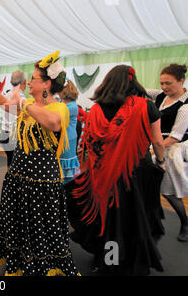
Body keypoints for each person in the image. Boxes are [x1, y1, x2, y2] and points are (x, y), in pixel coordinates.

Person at [66, 65, 166, 275]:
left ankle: (105, 258)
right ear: (133, 81)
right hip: (134, 172)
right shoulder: (146, 106)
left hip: (102, 173)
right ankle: (125, 260)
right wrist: (162, 161)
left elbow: (91, 143)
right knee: (132, 217)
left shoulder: (96, 109)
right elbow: (158, 141)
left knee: (107, 217)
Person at [0, 51, 79, 276]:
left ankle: (42, 267)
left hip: (41, 182)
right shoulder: (29, 104)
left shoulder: (58, 108)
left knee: (40, 229)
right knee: (21, 226)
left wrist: (23, 101)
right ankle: (23, 263)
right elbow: (6, 105)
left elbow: (52, 123)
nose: (29, 82)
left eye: (34, 79)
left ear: (47, 84)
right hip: (19, 176)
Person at [146, 63, 188, 242]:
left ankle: (185, 223)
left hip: (172, 149)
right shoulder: (162, 95)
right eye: (161, 83)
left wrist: (153, 148)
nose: (163, 87)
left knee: (169, 191)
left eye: (168, 83)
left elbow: (174, 137)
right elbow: (142, 90)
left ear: (181, 81)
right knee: (149, 186)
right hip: (157, 144)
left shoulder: (185, 106)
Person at [0, 71, 26, 167]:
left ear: (11, 81)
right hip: (14, 134)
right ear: (24, 82)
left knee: (10, 161)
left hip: (4, 132)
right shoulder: (22, 98)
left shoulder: (5, 94)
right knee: (16, 164)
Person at [57, 80, 81, 184]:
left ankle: (67, 185)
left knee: (66, 162)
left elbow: (56, 115)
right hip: (63, 137)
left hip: (68, 139)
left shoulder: (72, 106)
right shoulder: (61, 103)